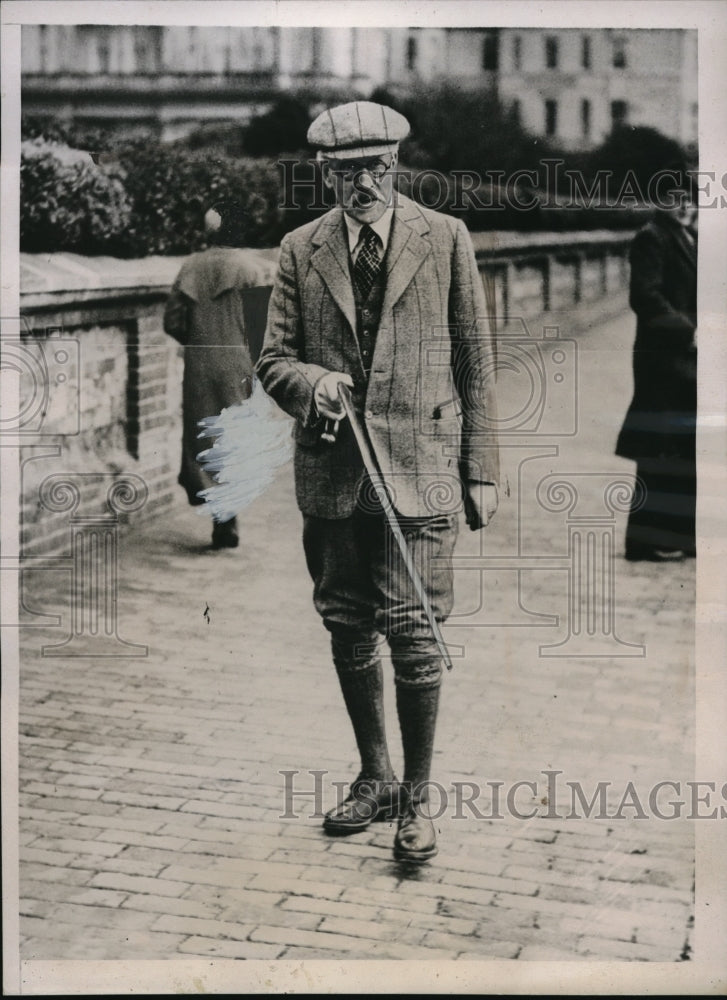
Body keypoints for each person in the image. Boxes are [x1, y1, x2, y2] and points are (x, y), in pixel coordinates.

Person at [256, 101, 500, 863]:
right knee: (345, 624)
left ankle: (417, 806)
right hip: (334, 474)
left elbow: (475, 359)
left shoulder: (445, 237)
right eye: (342, 170)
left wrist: (481, 469)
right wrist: (311, 384)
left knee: (416, 639)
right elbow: (272, 360)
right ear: (323, 172)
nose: (358, 183)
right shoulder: (301, 248)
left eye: (372, 167)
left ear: (395, 164)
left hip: (422, 471)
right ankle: (375, 776)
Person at [163, 200, 272, 549]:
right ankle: (229, 511)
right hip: (238, 363)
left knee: (203, 436)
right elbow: (263, 329)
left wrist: (198, 339)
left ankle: (219, 512)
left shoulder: (191, 266)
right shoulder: (252, 269)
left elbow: (172, 320)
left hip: (200, 363)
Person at [616, 171, 697, 561]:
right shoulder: (653, 236)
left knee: (680, 450)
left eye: (690, 198)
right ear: (661, 200)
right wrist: (689, 332)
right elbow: (644, 297)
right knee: (659, 452)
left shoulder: (685, 236)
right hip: (662, 360)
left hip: (681, 362)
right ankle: (646, 540)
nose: (684, 205)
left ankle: (677, 536)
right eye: (677, 198)